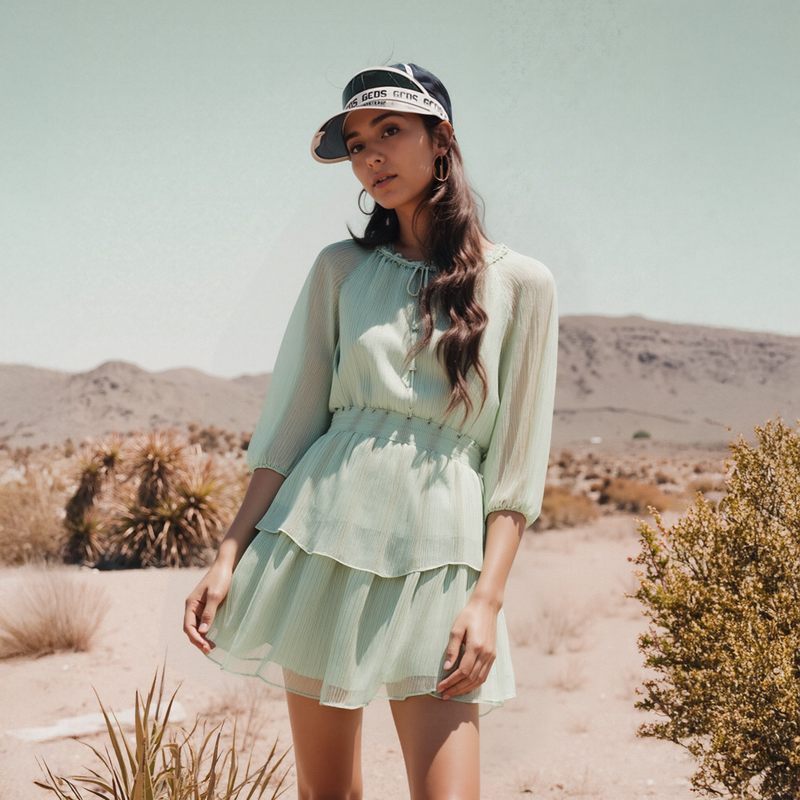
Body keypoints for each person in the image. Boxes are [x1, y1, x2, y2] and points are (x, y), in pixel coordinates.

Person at [184, 62, 558, 800]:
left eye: (390, 132)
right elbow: (290, 429)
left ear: (440, 139)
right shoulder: (338, 270)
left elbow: (516, 466)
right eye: (357, 143)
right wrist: (228, 554)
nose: (371, 156)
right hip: (319, 537)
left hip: (442, 556)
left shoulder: (523, 284)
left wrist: (486, 600)